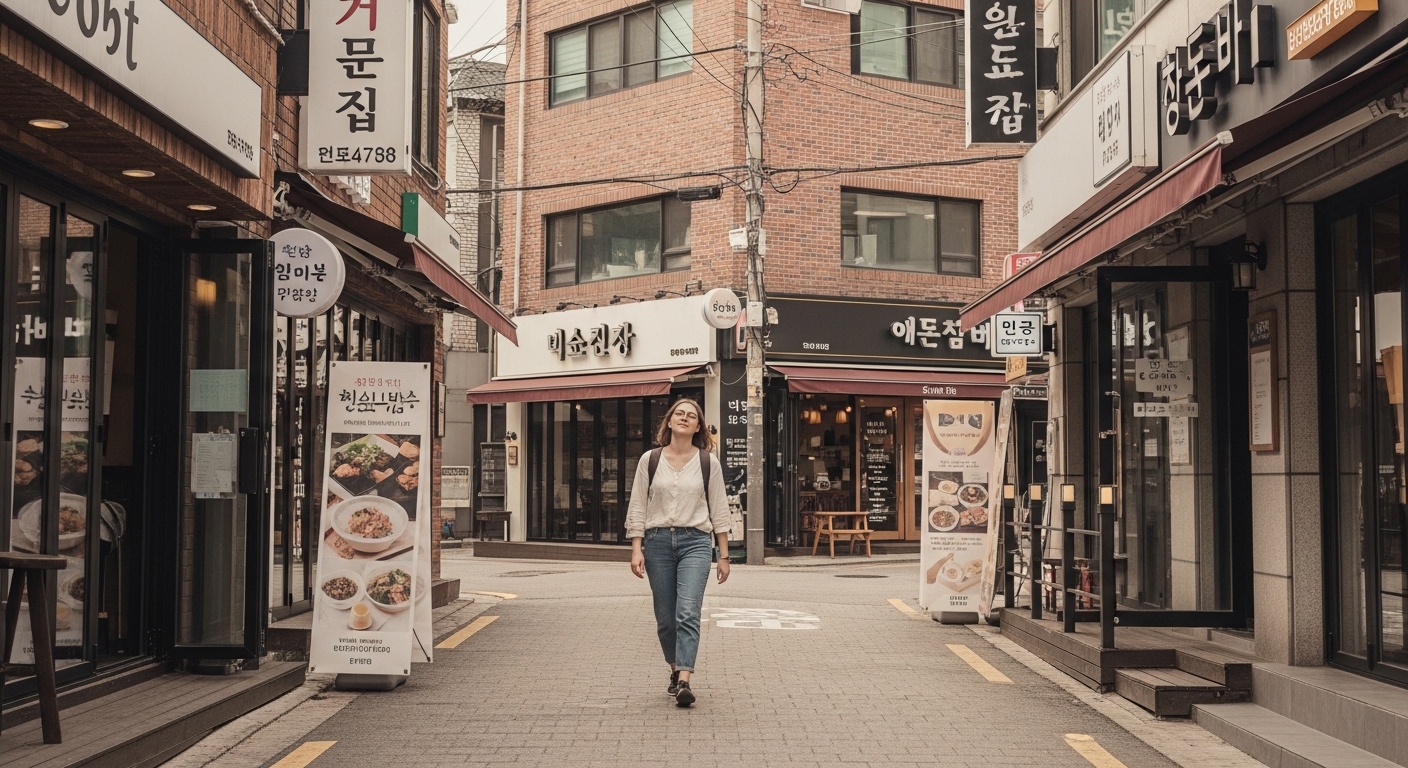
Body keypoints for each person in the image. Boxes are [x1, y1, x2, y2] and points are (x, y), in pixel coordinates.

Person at [625, 397, 731, 708]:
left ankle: (685, 679)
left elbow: (720, 509)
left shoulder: (708, 463)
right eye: (679, 414)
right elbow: (638, 506)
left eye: (691, 416)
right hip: (657, 543)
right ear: (669, 422)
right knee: (665, 619)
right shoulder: (650, 460)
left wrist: (723, 555)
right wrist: (636, 547)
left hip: (695, 542)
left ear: (698, 426)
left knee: (687, 613)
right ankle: (674, 669)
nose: (684, 418)